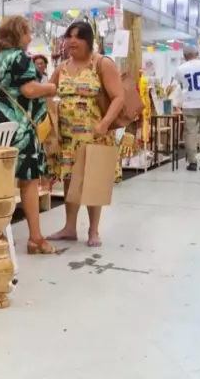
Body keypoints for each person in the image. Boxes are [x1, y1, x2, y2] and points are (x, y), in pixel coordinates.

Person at [47, 21, 124, 247]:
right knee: (69, 180)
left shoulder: (101, 63)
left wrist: (105, 123)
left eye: (78, 36)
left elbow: (118, 97)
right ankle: (69, 227)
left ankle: (93, 230)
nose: (72, 41)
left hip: (94, 134)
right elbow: (48, 91)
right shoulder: (61, 67)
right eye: (69, 36)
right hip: (67, 137)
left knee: (93, 180)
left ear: (89, 40)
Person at [0, 16, 57, 254]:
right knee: (28, 181)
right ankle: (35, 238)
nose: (30, 37)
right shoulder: (20, 58)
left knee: (0, 180)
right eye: (28, 33)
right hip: (20, 126)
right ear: (19, 34)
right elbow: (29, 89)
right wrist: (50, 88)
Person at [175, 45, 200, 171]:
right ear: (197, 53)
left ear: (185, 56)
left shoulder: (180, 69)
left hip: (189, 104)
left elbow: (178, 86)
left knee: (190, 133)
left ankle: (192, 163)